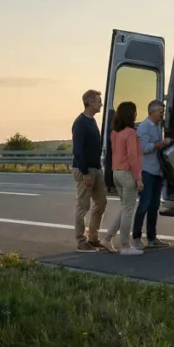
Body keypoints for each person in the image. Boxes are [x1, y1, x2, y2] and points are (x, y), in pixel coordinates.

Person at [103, 102, 144, 255]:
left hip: (116, 173)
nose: (136, 114)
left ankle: (107, 238)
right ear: (130, 114)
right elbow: (133, 157)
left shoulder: (115, 132)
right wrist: (138, 178)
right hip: (127, 174)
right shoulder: (130, 133)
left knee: (124, 207)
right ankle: (125, 245)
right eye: (135, 111)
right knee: (128, 210)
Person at [72, 89, 108, 252]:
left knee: (101, 202)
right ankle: (81, 240)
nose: (101, 103)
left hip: (96, 168)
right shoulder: (80, 123)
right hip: (85, 169)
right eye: (98, 100)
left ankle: (93, 238)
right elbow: (77, 151)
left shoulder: (92, 121)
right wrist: (85, 172)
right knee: (83, 205)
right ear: (90, 102)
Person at [132, 100, 171, 249]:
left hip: (157, 171)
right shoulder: (143, 127)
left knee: (154, 206)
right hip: (147, 170)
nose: (163, 114)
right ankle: (136, 237)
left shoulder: (157, 126)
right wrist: (161, 143)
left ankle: (151, 237)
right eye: (161, 112)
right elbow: (144, 148)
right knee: (144, 204)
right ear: (153, 111)